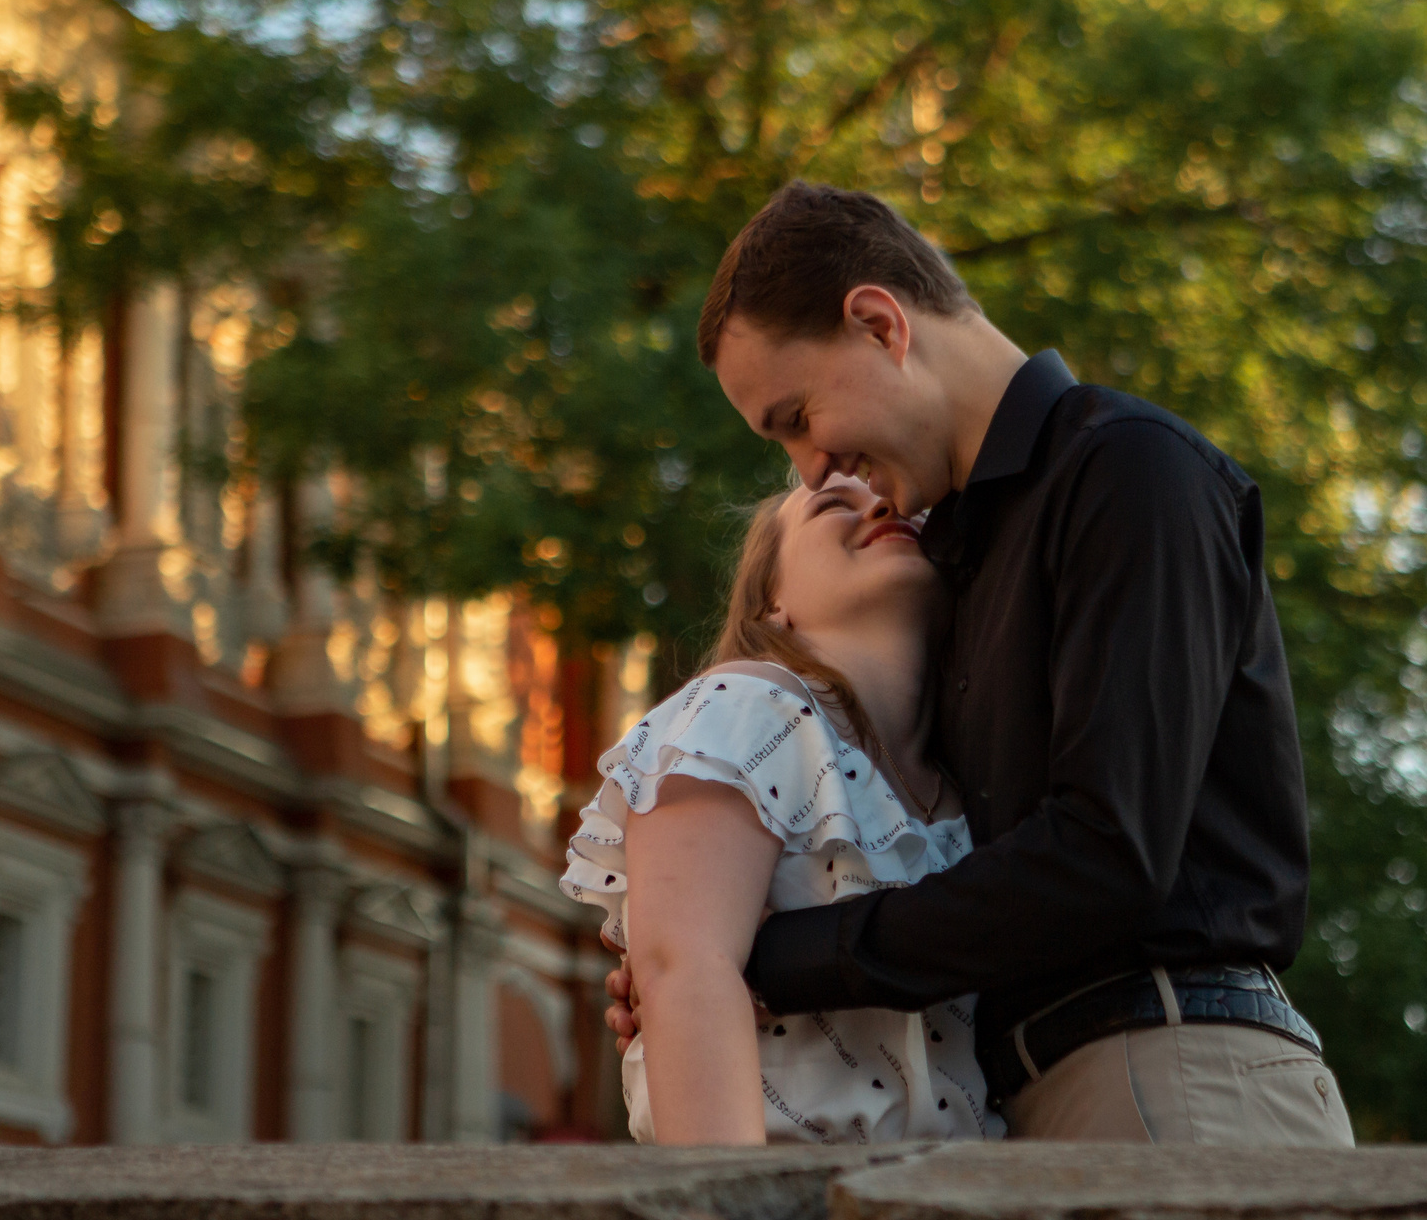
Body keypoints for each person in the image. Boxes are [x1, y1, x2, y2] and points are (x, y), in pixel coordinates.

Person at [612, 180, 1355, 1146]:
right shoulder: (947, 571)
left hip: (1169, 1064)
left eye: (796, 416)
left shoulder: (1127, 470)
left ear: (880, 324)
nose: (809, 467)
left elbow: (1106, 851)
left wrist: (774, 959)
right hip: (1031, 1104)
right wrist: (702, 942)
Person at [562, 471, 1001, 1144]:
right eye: (833, 505)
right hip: (787, 1179)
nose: (885, 505)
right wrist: (731, 1200)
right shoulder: (750, 707)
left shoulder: (976, 780)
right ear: (772, 603)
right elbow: (685, 968)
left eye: (908, 506)